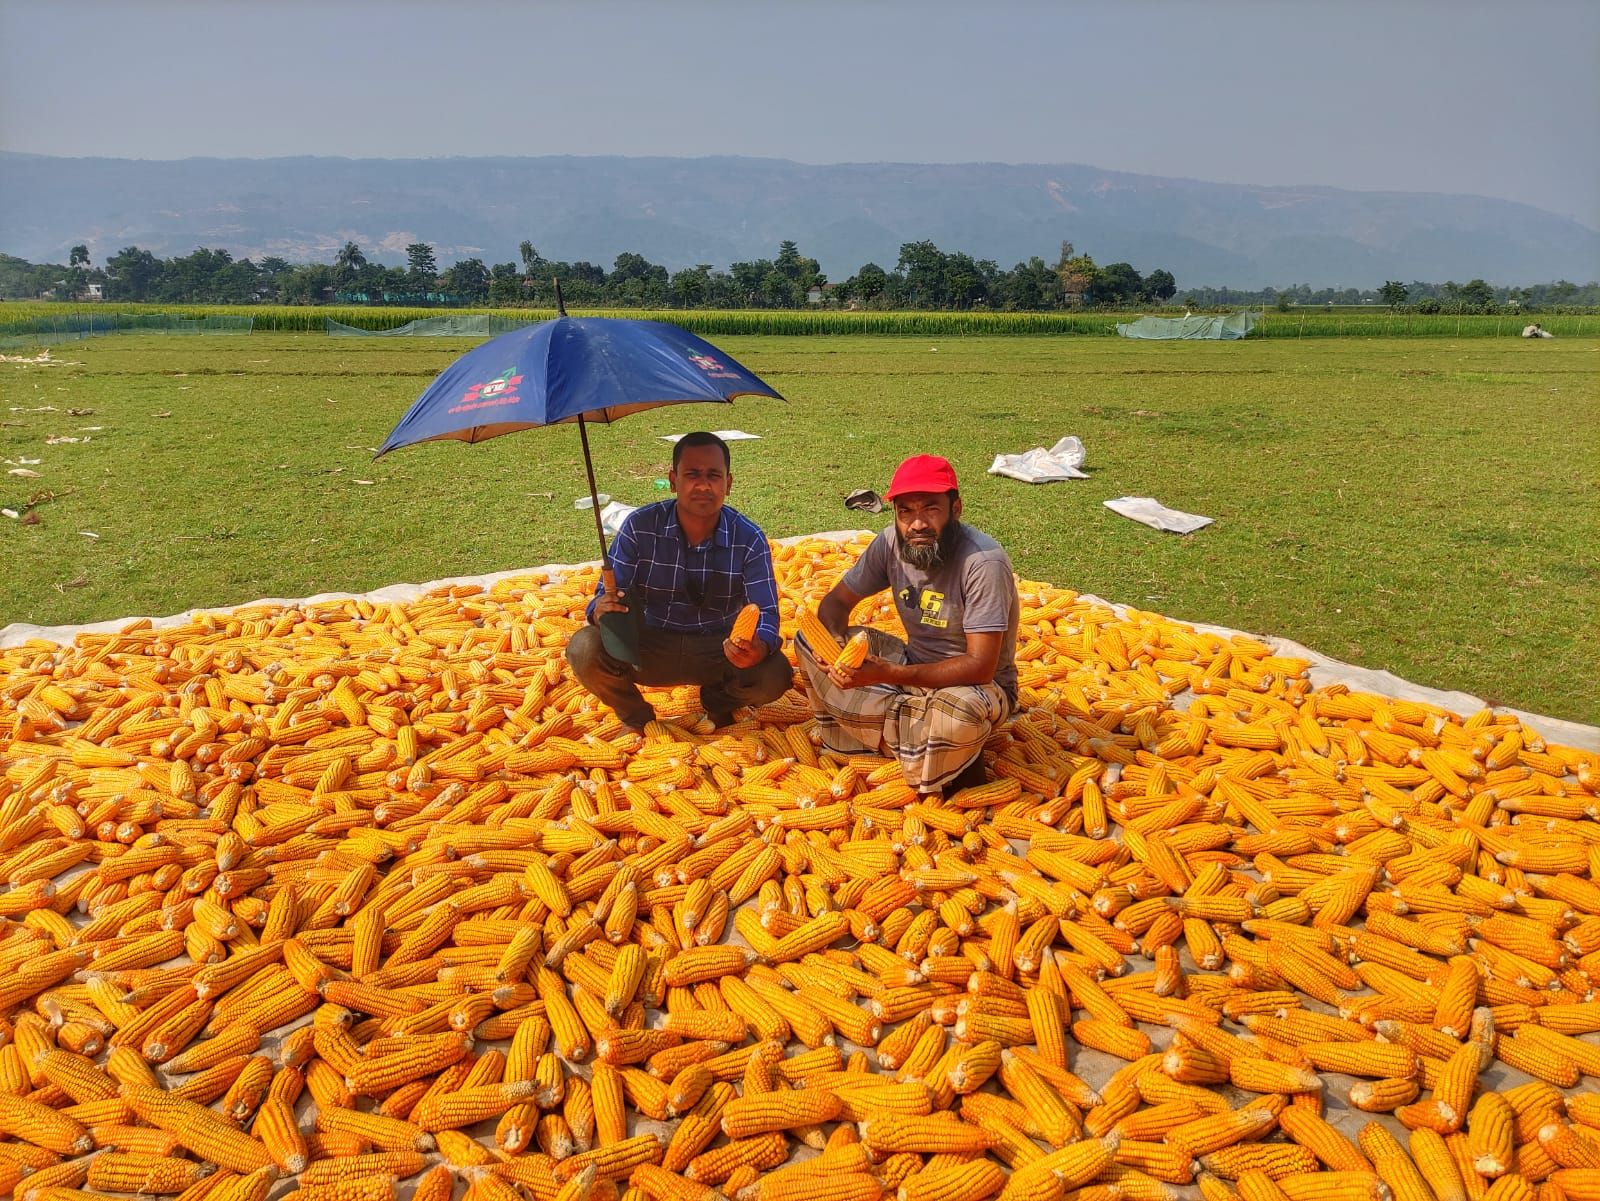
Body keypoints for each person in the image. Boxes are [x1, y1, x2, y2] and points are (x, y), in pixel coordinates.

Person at [796, 454, 1018, 795]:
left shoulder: (982, 562)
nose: (917, 524)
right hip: (913, 665)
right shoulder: (889, 543)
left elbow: (981, 667)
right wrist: (835, 649)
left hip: (973, 686)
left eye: (931, 509)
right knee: (809, 640)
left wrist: (888, 675)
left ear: (955, 509)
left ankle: (898, 734)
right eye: (906, 512)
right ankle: (921, 739)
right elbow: (835, 605)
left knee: (961, 714)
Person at [567, 431, 792, 730]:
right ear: (673, 481)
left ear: (729, 483)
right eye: (692, 474)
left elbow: (765, 611)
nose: (703, 485)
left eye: (714, 475)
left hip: (719, 647)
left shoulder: (748, 538)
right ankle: (636, 717)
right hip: (650, 645)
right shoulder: (640, 528)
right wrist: (600, 608)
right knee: (584, 648)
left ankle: (718, 701)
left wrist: (757, 648)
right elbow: (604, 599)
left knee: (775, 674)